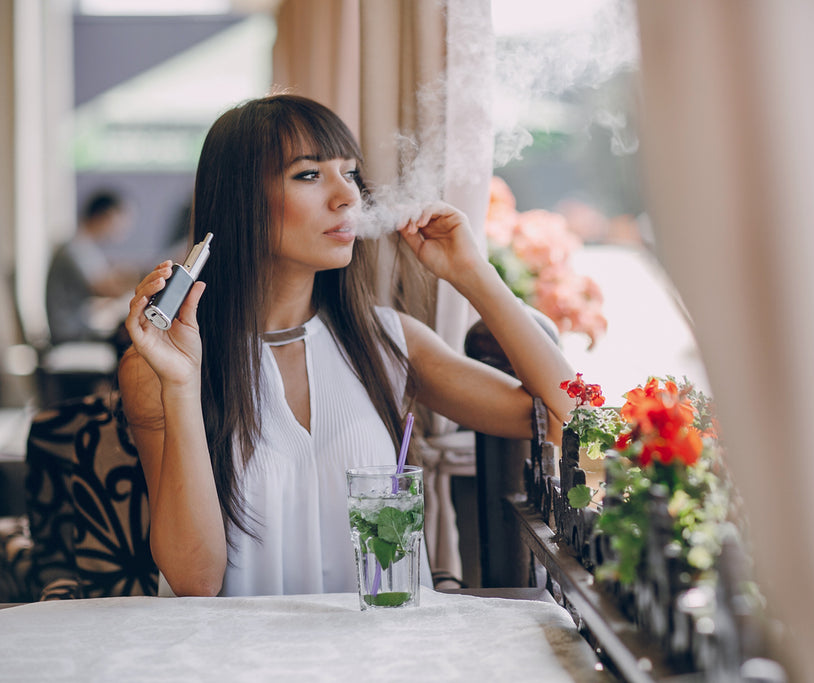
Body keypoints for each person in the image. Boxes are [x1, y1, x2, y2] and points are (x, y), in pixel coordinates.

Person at [118, 94, 577, 597]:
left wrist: (473, 274)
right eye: (309, 175)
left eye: (351, 173)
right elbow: (195, 582)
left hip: (380, 657)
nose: (347, 197)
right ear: (240, 198)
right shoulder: (163, 369)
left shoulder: (388, 342)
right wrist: (181, 385)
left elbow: (568, 416)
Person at [46, 190, 138, 345]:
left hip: (74, 330)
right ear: (107, 216)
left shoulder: (83, 246)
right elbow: (105, 287)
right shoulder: (76, 248)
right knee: (128, 339)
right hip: (69, 335)